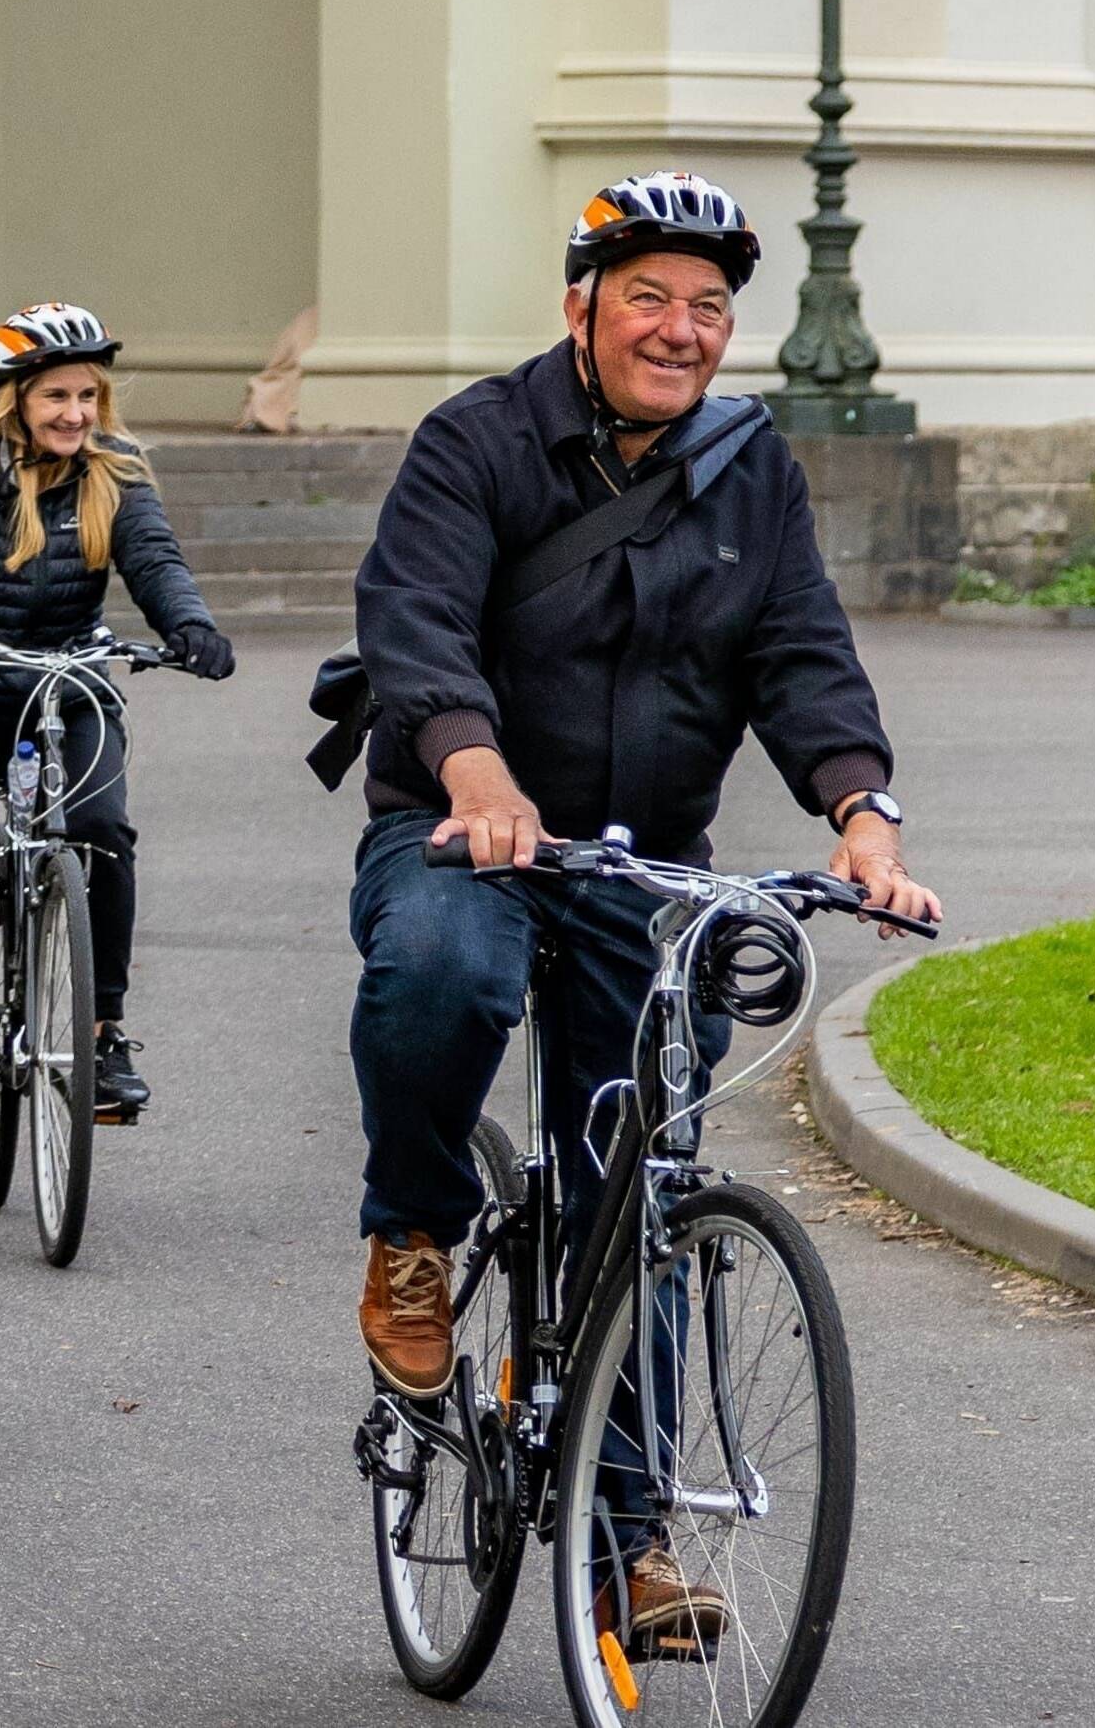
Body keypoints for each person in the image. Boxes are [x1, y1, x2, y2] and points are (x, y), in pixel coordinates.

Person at [338, 168, 934, 1611]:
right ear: (580, 308)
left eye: (708, 306)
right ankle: (413, 1230)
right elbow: (416, 621)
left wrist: (863, 817)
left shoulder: (750, 471)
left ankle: (628, 1551)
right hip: (464, 830)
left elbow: (801, 651)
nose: (679, 328)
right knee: (441, 977)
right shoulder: (476, 440)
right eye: (649, 296)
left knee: (640, 1192)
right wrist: (477, 774)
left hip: (641, 862)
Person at [0, 302, 238, 1120]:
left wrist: (191, 624)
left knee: (102, 830)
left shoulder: (115, 473)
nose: (75, 413)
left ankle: (102, 1035)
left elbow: (155, 560)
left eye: (87, 395)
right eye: (55, 396)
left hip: (67, 689)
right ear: (15, 400)